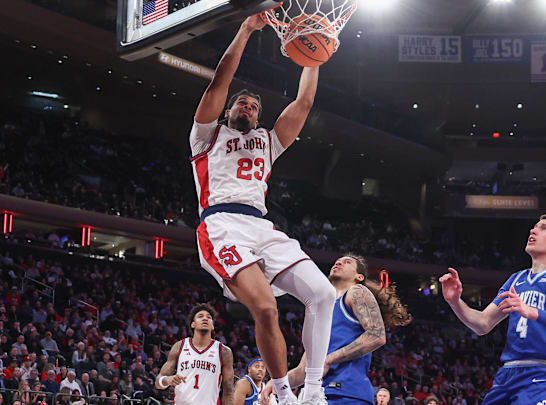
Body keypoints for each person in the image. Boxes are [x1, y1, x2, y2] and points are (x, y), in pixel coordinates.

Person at [189, 11, 335, 405]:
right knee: (266, 309)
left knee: (323, 294)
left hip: (262, 227)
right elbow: (220, 81)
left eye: (255, 106)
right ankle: (284, 394)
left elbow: (304, 102)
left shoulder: (269, 141)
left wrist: (314, 60)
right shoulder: (207, 135)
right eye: (242, 104)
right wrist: (246, 29)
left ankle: (314, 391)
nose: (249, 108)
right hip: (221, 224)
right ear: (228, 111)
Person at [439, 214, 546, 405]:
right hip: (507, 373)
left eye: (544, 228)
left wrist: (531, 312)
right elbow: (483, 324)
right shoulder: (516, 279)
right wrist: (455, 302)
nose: (533, 230)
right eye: (535, 226)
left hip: (542, 373)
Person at [260, 254, 412, 405]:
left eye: (347, 262)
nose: (339, 263)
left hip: (348, 393)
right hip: (321, 395)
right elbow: (303, 370)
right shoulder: (322, 310)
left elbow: (377, 335)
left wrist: (328, 360)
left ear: (359, 277)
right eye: (337, 261)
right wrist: (278, 383)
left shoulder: (357, 292)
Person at [154, 304, 234, 405]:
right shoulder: (179, 347)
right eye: (200, 316)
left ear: (212, 325)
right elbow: (158, 382)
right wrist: (168, 380)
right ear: (193, 324)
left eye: (209, 317)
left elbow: (229, 390)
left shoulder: (224, 351)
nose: (205, 318)